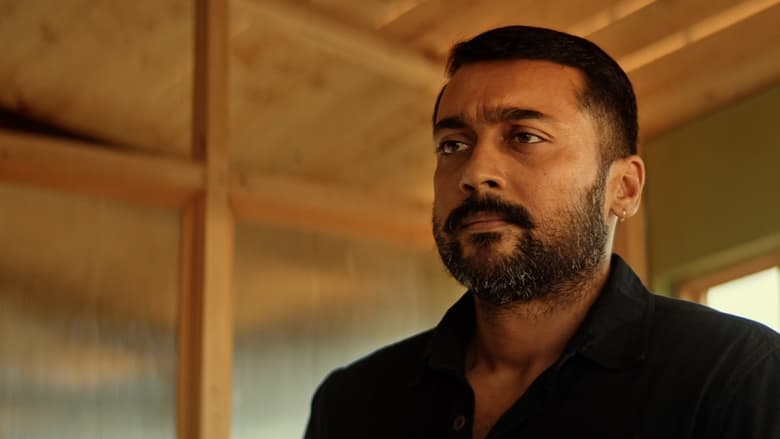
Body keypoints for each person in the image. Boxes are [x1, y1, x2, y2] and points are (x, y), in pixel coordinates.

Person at [304, 26, 780, 439]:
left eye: (525, 137)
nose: (475, 172)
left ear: (623, 188)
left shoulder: (737, 378)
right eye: (452, 145)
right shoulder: (352, 403)